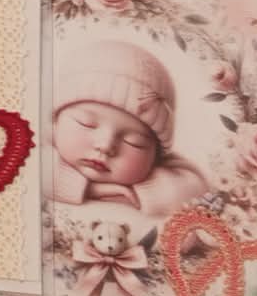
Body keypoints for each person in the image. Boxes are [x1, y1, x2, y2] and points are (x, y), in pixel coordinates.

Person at [47, 39, 206, 218]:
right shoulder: (43, 140)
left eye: (134, 142)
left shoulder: (162, 169)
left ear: (155, 156)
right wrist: (89, 189)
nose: (105, 146)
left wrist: (140, 194)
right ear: (57, 121)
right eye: (86, 123)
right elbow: (31, 168)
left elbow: (196, 191)